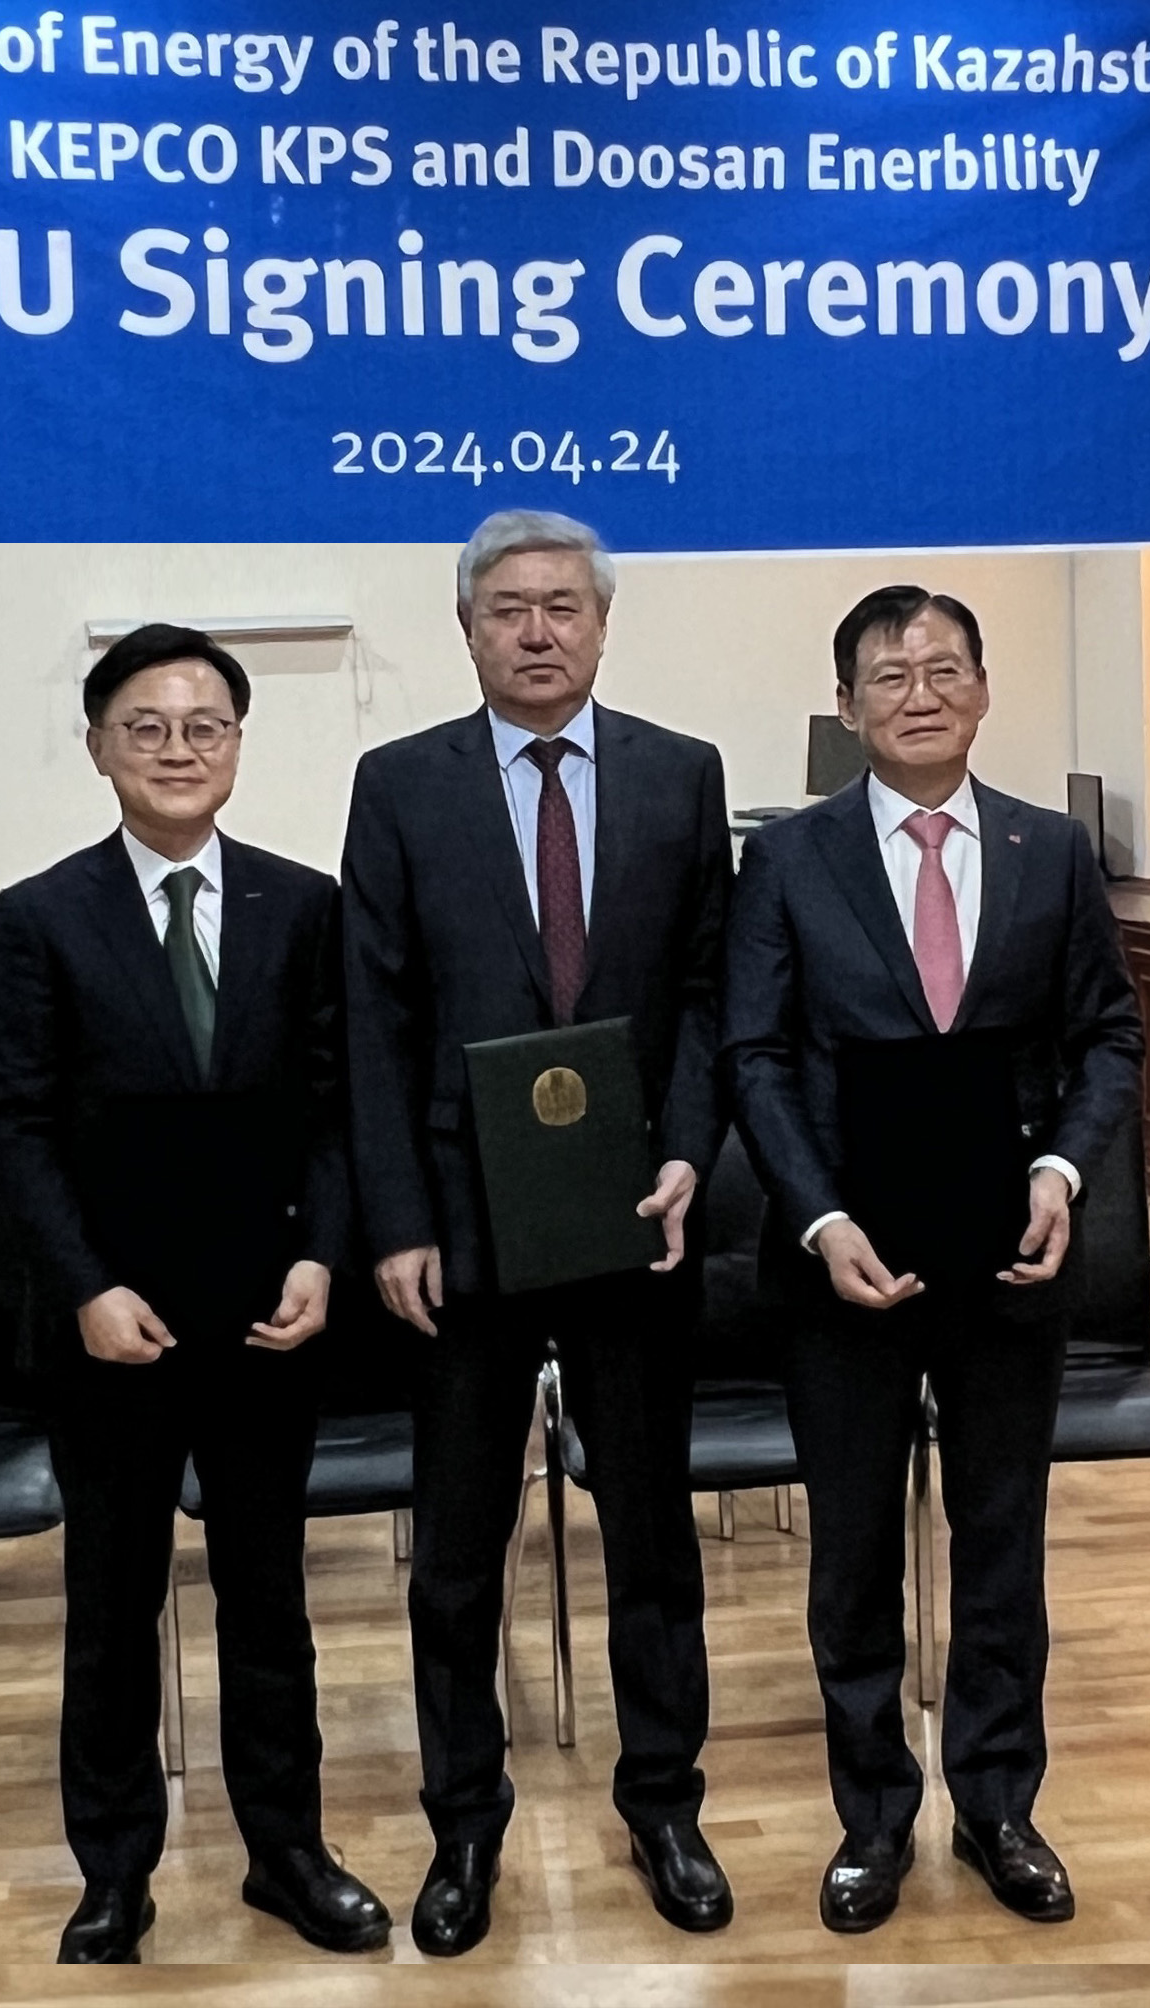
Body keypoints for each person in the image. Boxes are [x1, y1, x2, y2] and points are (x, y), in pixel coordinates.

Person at [341, 510, 736, 1955]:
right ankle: (465, 1825)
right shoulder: (399, 785)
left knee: (649, 1536)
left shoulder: (681, 778)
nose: (538, 629)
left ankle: (665, 1804)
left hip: (636, 1216)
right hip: (458, 1231)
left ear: (603, 620)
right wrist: (393, 1219)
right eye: (507, 607)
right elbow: (371, 1024)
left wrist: (692, 1151)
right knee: (456, 1551)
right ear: (467, 628)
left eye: (563, 604)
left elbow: (706, 998)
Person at [722, 585, 1142, 1932]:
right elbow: (756, 1055)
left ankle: (1001, 1807)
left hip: (1005, 1262)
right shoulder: (788, 861)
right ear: (846, 707)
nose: (919, 692)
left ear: (980, 690)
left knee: (1002, 1541)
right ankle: (873, 1820)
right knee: (852, 1556)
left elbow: (1107, 1038)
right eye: (889, 675)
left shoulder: (1049, 851)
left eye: (944, 668)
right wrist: (819, 1218)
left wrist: (1065, 1171)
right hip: (839, 1263)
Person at [0, 623, 389, 1965]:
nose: (176, 749)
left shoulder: (302, 905)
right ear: (99, 747)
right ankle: (113, 1869)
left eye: (203, 724)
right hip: (114, 1331)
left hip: (269, 1315)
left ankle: (289, 1851)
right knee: (112, 1606)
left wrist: (324, 1254)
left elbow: (338, 1114)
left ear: (237, 745)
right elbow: (19, 1130)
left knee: (269, 1599)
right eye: (145, 726)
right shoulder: (44, 916)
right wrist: (87, 1287)